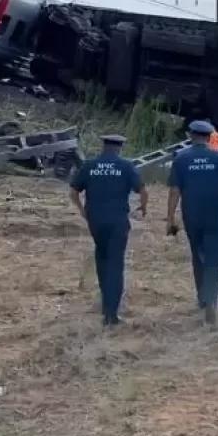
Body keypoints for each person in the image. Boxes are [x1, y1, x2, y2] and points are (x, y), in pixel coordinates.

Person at [69, 134, 147, 327]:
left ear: (103, 146)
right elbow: (143, 191)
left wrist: (82, 211)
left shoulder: (89, 165)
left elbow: (73, 192)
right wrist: (143, 208)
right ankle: (111, 314)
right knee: (116, 264)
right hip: (117, 221)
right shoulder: (126, 166)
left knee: (102, 259)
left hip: (96, 221)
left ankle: (105, 304)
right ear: (119, 148)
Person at [167, 120, 218, 325]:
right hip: (216, 215)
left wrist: (170, 219)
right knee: (215, 259)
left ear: (191, 135)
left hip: (192, 215)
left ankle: (202, 298)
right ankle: (211, 302)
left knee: (198, 256)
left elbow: (174, 191)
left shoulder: (181, 159)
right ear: (209, 137)